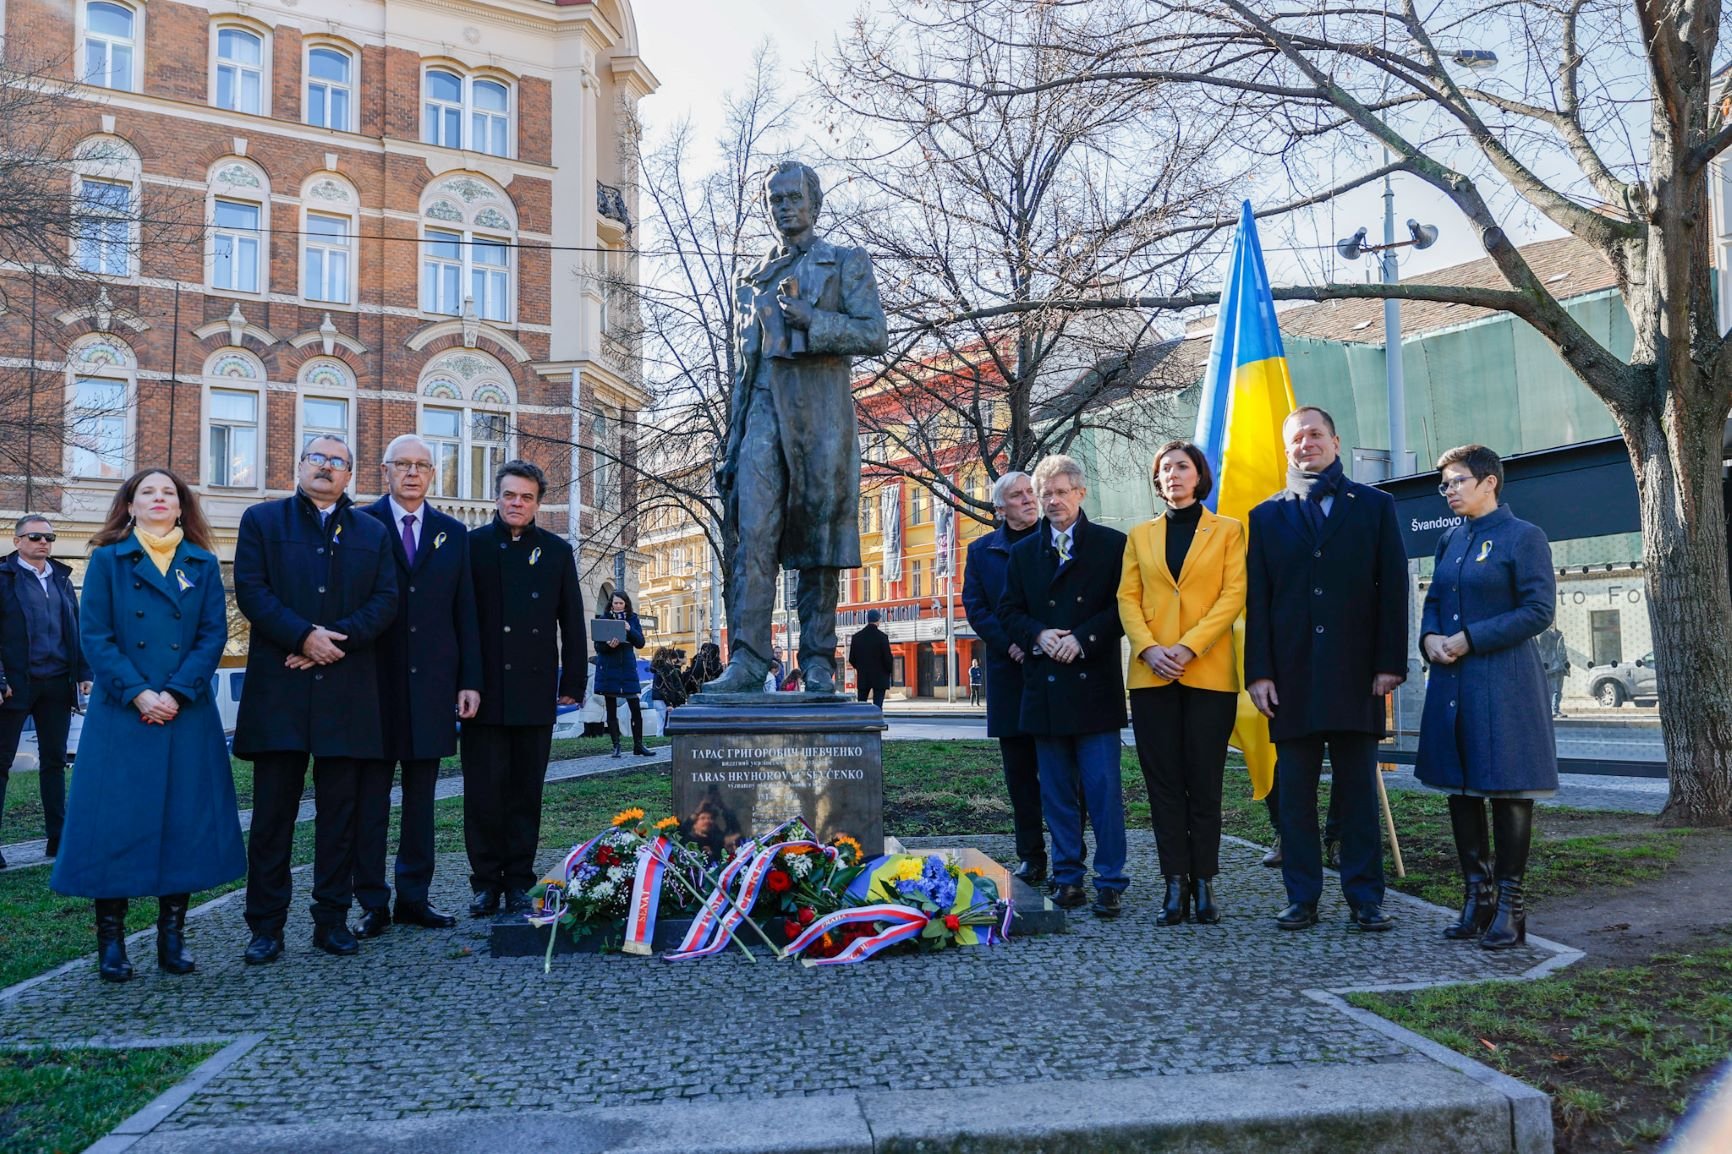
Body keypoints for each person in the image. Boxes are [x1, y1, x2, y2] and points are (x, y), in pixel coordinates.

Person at [50, 470, 243, 982]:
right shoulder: (108, 560)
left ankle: (171, 939)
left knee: (181, 824)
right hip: (122, 714)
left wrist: (176, 693)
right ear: (129, 505)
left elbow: (210, 635)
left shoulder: (201, 563)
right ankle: (111, 945)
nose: (159, 499)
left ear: (182, 508)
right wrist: (138, 692)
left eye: (169, 493)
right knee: (114, 826)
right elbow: (95, 635)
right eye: (147, 493)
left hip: (186, 712)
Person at [707, 160, 888, 693]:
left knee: (818, 540)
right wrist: (733, 443)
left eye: (793, 196)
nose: (784, 206)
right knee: (754, 535)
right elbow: (746, 368)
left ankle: (816, 662)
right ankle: (746, 659)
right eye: (775, 199)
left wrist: (816, 320)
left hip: (819, 417)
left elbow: (874, 333)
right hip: (762, 410)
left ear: (814, 202)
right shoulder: (753, 277)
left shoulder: (845, 263)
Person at [234, 437, 398, 963]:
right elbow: (252, 590)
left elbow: (386, 600)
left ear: (350, 474)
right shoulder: (262, 522)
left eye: (337, 461)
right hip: (279, 690)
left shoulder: (373, 532)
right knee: (271, 818)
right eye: (317, 458)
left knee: (340, 818)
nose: (326, 467)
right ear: (298, 465)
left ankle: (331, 919)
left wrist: (332, 642)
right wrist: (303, 636)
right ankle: (265, 926)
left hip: (346, 693)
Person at [1246, 407, 1408, 932]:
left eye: (1315, 435)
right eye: (1296, 438)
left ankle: (1365, 898)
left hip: (1358, 674)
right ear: (1286, 447)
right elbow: (1259, 599)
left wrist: (1389, 662)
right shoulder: (1266, 515)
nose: (1306, 444)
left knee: (1358, 791)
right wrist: (1259, 673)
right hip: (1289, 678)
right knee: (1294, 795)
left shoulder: (1376, 506)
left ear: (1336, 441)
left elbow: (1393, 588)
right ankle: (1303, 897)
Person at [1416, 445, 1559, 950]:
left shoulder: (1524, 537)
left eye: (1456, 481)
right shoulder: (1450, 541)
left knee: (1507, 788)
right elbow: (1434, 603)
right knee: (1462, 788)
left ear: (1489, 482)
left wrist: (1471, 637)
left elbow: (1539, 610)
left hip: (1505, 681)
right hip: (1455, 682)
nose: (1448, 491)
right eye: (1445, 485)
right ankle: (1477, 899)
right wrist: (1430, 637)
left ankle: (1511, 908)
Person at [351, 435, 481, 938]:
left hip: (432, 687)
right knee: (371, 801)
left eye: (421, 466)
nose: (411, 473)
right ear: (384, 470)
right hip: (371, 686)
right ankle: (371, 902)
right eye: (402, 464)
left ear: (433, 474)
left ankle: (414, 897)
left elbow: (464, 611)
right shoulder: (362, 524)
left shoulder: (454, 533)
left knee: (422, 800)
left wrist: (469, 680)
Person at [1119, 442, 1246, 926]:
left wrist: (1189, 646)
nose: (1173, 474)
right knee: (1164, 784)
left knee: (1205, 782)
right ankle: (1174, 881)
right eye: (1164, 468)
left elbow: (1233, 594)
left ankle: (1206, 881)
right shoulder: (1139, 535)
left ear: (1199, 476)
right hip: (1151, 676)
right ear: (1157, 480)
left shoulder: (1228, 530)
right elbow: (1127, 598)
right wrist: (1150, 648)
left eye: (1182, 467)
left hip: (1209, 674)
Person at [999, 455, 1129, 918]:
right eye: (1045, 493)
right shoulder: (1021, 554)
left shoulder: (1114, 545)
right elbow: (1008, 611)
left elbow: (1124, 609)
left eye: (1060, 491)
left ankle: (1111, 880)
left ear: (1080, 493)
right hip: (1045, 689)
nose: (1052, 501)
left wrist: (1082, 637)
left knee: (1103, 791)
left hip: (1094, 685)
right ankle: (1067, 877)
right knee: (1055, 794)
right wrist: (1037, 633)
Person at [464, 460, 587, 917]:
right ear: (496, 497)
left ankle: (519, 879)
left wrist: (574, 681)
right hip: (482, 692)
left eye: (527, 497)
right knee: (483, 792)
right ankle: (484, 882)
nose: (517, 503)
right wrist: (463, 682)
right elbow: (461, 622)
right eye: (510, 495)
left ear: (538, 502)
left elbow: (572, 622)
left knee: (524, 791)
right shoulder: (471, 546)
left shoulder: (556, 551)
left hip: (535, 690)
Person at [961, 471, 1050, 885]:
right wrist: (1010, 644)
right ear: (1000, 508)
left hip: (1054, 668)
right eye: (1017, 496)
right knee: (1020, 774)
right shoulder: (981, 552)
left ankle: (1070, 857)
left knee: (1062, 771)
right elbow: (977, 608)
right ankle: (1031, 855)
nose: (1028, 500)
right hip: (1009, 672)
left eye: (1031, 492)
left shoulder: (1055, 540)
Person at [0, 515, 92, 869]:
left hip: (57, 683)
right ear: (17, 540)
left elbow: (75, 626)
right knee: (1, 764)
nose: (44, 543)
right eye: (35, 536)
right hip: (14, 685)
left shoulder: (62, 579)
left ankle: (58, 838)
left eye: (49, 537)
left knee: (54, 762)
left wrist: (83, 671)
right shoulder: (4, 577)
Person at [595, 592, 648, 757]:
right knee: (611, 710)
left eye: (621, 603)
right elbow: (598, 647)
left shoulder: (632, 619)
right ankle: (616, 746)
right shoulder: (604, 619)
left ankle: (638, 745)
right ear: (611, 604)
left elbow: (640, 643)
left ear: (626, 604)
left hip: (627, 669)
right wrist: (608, 645)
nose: (618, 606)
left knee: (635, 708)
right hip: (609, 669)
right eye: (615, 603)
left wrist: (629, 629)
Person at [848, 609, 894, 707]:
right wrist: (888, 671)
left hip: (864, 676)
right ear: (878, 620)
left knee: (861, 705)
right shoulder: (882, 637)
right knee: (878, 705)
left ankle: (862, 721)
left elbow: (852, 658)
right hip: (880, 677)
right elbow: (887, 658)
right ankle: (876, 721)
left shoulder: (857, 637)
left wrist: (860, 668)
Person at [1537, 625, 1570, 718]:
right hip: (1550, 667)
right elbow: (1542, 650)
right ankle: (1552, 710)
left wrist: (1566, 663)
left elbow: (1563, 650)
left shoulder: (1559, 635)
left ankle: (1555, 709)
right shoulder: (1542, 635)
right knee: (1552, 690)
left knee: (1558, 690)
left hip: (1560, 666)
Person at [650, 647, 688, 727]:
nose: (673, 664)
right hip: (662, 700)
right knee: (667, 723)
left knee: (660, 724)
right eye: (673, 662)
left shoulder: (658, 668)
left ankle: (660, 738)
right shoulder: (665, 669)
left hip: (656, 699)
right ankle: (664, 738)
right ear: (669, 659)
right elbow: (666, 687)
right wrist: (669, 703)